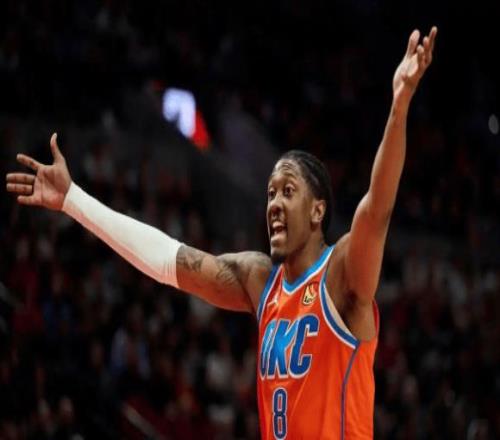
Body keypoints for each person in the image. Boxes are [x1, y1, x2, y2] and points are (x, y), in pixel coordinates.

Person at [6, 27, 437, 439]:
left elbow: (377, 210)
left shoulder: (341, 275)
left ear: (317, 210)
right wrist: (74, 200)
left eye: (288, 191)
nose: (274, 204)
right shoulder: (259, 281)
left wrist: (399, 106)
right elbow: (167, 259)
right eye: (270, 193)